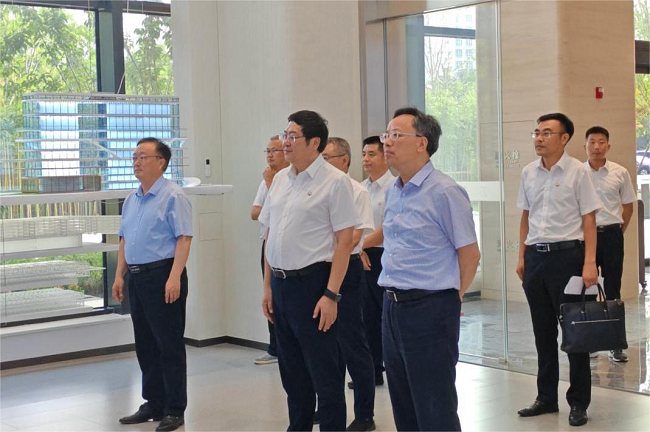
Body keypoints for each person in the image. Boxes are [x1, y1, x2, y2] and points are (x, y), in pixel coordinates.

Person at [378, 107, 481, 431]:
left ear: (421, 143)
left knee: (434, 405)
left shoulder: (445, 191)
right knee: (403, 402)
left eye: (396, 135)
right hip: (392, 306)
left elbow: (470, 254)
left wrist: (453, 297)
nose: (387, 142)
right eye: (386, 135)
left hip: (430, 308)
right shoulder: (393, 190)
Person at [259, 110, 359, 431]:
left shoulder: (335, 182)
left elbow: (344, 242)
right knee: (292, 374)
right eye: (284, 135)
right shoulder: (280, 180)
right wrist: (268, 287)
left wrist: (331, 295)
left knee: (325, 375)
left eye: (292, 136)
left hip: (314, 286)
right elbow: (270, 235)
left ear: (314, 142)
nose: (285, 143)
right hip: (281, 285)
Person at [516, 113, 601, 427]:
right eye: (537, 132)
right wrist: (522, 256)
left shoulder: (579, 171)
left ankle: (578, 402)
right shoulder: (528, 172)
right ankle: (546, 397)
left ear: (564, 138)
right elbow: (525, 217)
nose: (539, 138)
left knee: (575, 334)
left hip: (568, 258)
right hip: (535, 258)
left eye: (547, 133)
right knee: (542, 332)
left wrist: (589, 262)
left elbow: (589, 219)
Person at [112, 138, 193, 432]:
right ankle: (154, 402)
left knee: (168, 345)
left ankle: (174, 408)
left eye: (143, 157)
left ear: (161, 162)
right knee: (145, 344)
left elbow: (184, 238)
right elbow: (124, 239)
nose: (136, 162)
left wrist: (174, 276)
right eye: (134, 157)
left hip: (163, 276)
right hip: (136, 278)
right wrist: (119, 275)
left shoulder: (173, 196)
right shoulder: (132, 199)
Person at [322, 137, 376, 431]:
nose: (322, 163)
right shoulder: (320, 188)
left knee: (352, 342)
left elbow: (355, 236)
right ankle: (330, 407)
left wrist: (329, 248)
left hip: (348, 270)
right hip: (322, 270)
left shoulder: (358, 191)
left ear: (344, 160)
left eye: (327, 158)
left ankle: (365, 414)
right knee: (327, 346)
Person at [583, 126, 635, 363]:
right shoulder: (578, 173)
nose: (597, 147)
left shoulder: (619, 172)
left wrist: (618, 232)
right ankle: (590, 343)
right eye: (592, 142)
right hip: (585, 238)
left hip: (612, 235)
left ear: (608, 145)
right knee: (587, 290)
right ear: (585, 146)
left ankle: (616, 345)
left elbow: (628, 207)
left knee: (613, 290)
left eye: (601, 142)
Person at [357, 135, 395, 389]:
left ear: (385, 157)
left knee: (386, 316)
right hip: (362, 256)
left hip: (383, 255)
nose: (366, 159)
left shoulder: (393, 187)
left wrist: (360, 245)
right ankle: (373, 369)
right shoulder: (360, 188)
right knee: (367, 316)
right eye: (364, 154)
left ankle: (391, 366)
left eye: (372, 154)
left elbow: (386, 228)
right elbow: (355, 225)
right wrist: (358, 249)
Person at [251, 135, 289, 365]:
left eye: (275, 150)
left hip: (290, 249)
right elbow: (255, 212)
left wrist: (270, 184)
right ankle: (275, 348)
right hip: (269, 245)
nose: (270, 155)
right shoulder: (266, 179)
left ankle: (286, 348)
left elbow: (281, 208)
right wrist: (267, 183)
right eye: (267, 150)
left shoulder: (284, 179)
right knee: (270, 295)